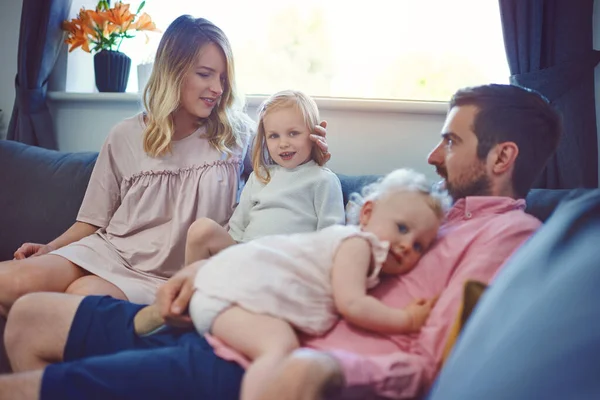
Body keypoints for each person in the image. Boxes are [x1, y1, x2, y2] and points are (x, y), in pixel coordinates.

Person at [0, 83, 562, 400]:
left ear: (501, 156)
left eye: (450, 140)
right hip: (234, 316)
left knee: (22, 390)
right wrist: (209, 275)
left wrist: (321, 372)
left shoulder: (506, 236)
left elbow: (430, 357)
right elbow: (307, 251)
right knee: (28, 316)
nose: (433, 155)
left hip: (271, 361)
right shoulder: (427, 207)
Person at [0, 15, 331, 312]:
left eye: (223, 78)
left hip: (175, 275)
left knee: (78, 299)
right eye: (205, 74)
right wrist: (51, 247)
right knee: (10, 282)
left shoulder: (238, 134)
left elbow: (282, 175)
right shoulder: (125, 135)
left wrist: (313, 152)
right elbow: (92, 219)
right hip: (110, 253)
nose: (217, 89)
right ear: (174, 71)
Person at [133, 169, 450, 399]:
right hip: (227, 295)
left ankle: (148, 326)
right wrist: (406, 319)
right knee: (279, 347)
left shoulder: (350, 247)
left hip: (226, 293)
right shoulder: (358, 245)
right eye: (402, 228)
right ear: (367, 213)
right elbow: (352, 304)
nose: (408, 245)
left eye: (420, 245)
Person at [183, 90, 344, 266]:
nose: (283, 143)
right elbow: (237, 228)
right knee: (201, 229)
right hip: (246, 257)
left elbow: (331, 236)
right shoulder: (260, 176)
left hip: (289, 264)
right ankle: (192, 288)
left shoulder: (323, 180)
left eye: (293, 133)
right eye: (274, 136)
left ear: (314, 134)